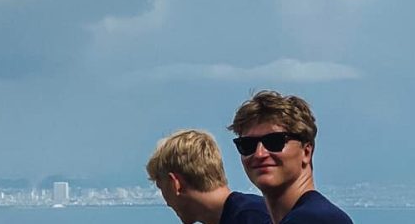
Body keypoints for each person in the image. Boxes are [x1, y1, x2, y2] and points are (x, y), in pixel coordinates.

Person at [228, 91, 354, 224]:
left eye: (275, 141)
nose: (259, 154)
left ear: (306, 152)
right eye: (248, 145)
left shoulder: (317, 219)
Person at [147, 128, 273, 224]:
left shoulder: (252, 218)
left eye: (161, 187)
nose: (167, 203)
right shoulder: (248, 213)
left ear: (175, 184)